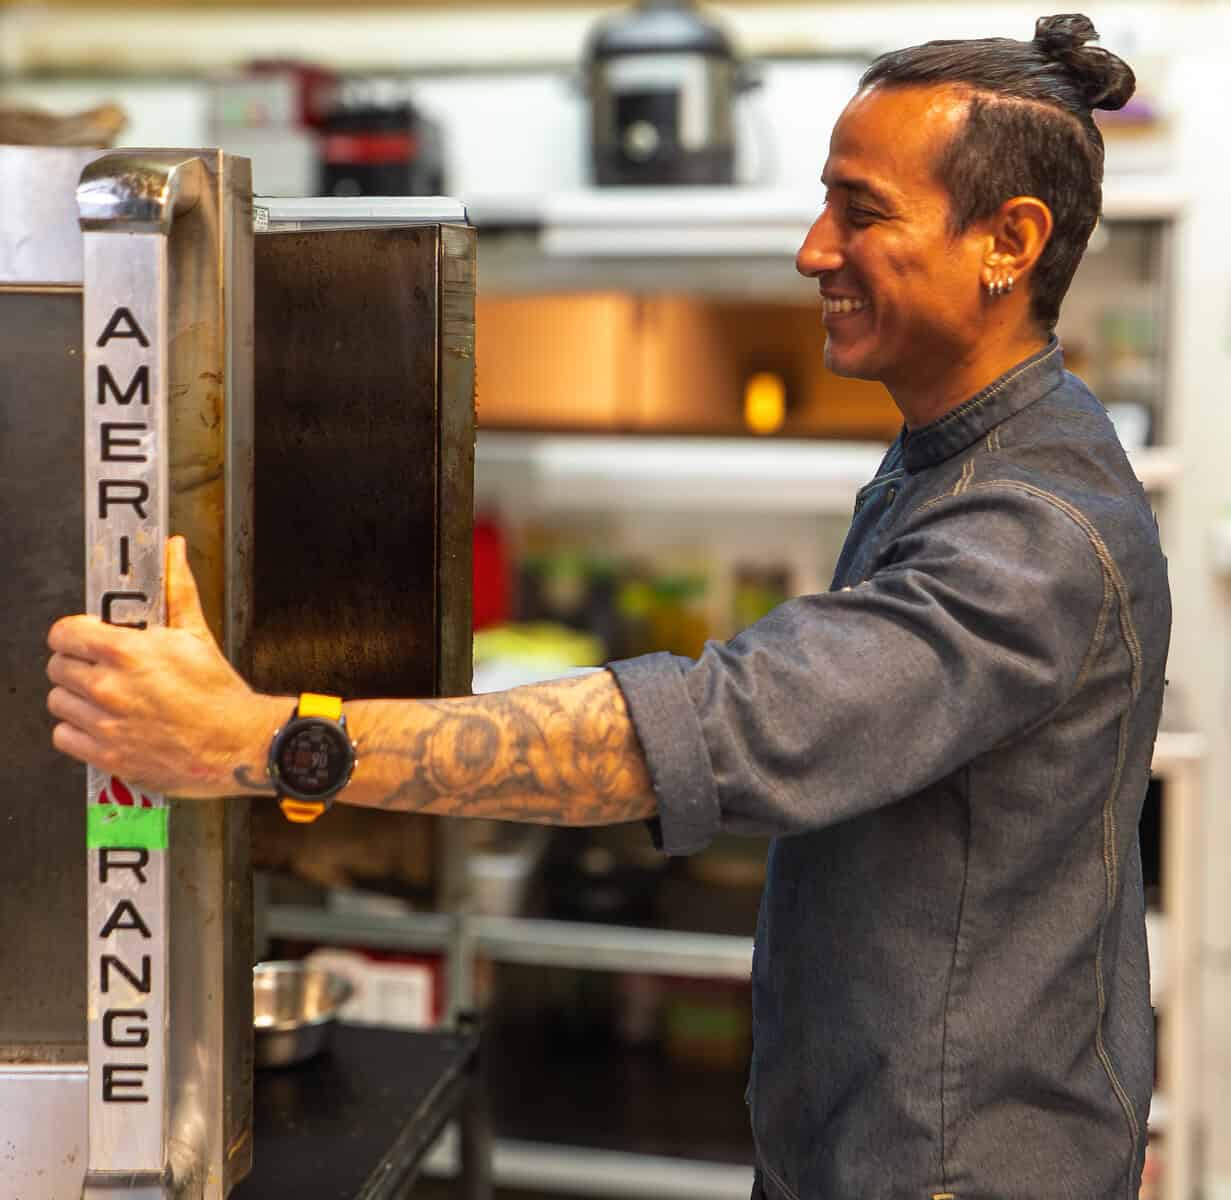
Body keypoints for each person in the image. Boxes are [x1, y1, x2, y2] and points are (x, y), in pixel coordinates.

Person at [46, 13, 1167, 1200]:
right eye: (822, 204)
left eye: (861, 211)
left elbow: (713, 730)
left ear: (1008, 239)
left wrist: (259, 738)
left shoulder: (1030, 533)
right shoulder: (956, 453)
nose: (812, 249)